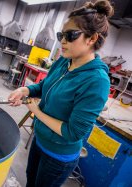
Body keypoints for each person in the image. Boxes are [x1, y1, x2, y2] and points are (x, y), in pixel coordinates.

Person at [8, 1, 114, 186]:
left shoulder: (96, 81)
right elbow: (45, 86)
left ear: (92, 38)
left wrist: (37, 112)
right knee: (30, 180)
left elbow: (73, 133)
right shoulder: (64, 61)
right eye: (61, 35)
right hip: (39, 140)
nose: (63, 41)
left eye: (71, 35)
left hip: (58, 156)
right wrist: (25, 89)